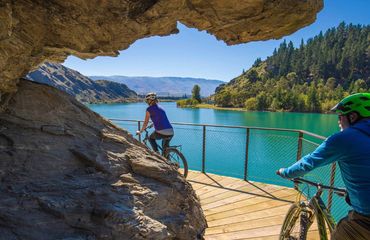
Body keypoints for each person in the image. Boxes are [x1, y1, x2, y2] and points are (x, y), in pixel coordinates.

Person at [277, 92, 370, 240]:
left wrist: (285, 172)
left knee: (341, 232)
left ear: (353, 117)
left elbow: (308, 163)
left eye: (340, 116)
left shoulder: (344, 139)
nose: (338, 121)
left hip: (365, 220)